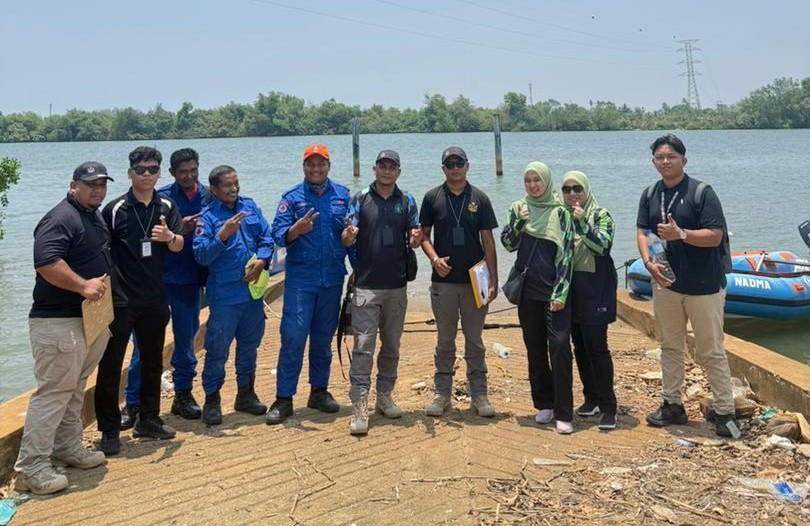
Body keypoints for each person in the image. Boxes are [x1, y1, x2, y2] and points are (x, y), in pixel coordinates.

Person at [13, 162, 113, 494]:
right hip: (57, 321)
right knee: (53, 394)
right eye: (90, 184)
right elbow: (46, 263)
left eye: (101, 184)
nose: (97, 190)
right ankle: (31, 469)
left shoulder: (91, 214)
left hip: (88, 318)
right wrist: (84, 286)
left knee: (75, 388)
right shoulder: (60, 217)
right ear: (73, 186)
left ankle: (67, 448)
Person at [636, 134, 737, 437]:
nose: (665, 162)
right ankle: (672, 404)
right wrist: (648, 262)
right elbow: (643, 231)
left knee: (710, 350)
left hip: (704, 286)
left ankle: (724, 411)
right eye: (659, 157)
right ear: (653, 162)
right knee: (669, 346)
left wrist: (681, 234)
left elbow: (715, 236)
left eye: (671, 156)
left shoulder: (702, 193)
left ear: (684, 159)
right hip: (667, 284)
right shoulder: (650, 193)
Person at [95, 146, 184, 455]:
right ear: (130, 172)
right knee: (110, 365)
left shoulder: (167, 205)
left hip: (154, 296)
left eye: (152, 169)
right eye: (141, 169)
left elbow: (180, 244)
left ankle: (148, 419)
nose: (147, 174)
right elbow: (100, 250)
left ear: (159, 173)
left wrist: (169, 238)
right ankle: (108, 430)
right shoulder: (115, 208)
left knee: (151, 362)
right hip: (121, 299)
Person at [121, 148, 209, 428]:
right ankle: (133, 401)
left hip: (189, 279)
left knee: (185, 340)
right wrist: (177, 229)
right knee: (142, 347)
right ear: (171, 173)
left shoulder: (208, 195)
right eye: (182, 171)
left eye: (193, 170)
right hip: (156, 280)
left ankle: (182, 393)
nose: (188, 175)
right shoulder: (162, 199)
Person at [266, 144, 351, 425]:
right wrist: (295, 230)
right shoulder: (291, 198)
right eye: (310, 164)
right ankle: (284, 398)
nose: (316, 169)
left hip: (332, 277)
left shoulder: (342, 195)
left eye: (321, 164)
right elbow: (278, 236)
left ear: (328, 165)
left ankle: (319, 391)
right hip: (302, 279)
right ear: (303, 167)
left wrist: (360, 268)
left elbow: (350, 236)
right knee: (293, 336)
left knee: (323, 337)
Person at [340, 150, 421, 435]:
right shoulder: (359, 198)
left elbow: (415, 237)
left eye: (392, 167)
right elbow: (346, 235)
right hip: (366, 286)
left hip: (397, 286)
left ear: (398, 171)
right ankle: (359, 403)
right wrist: (349, 235)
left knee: (392, 346)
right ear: (374, 169)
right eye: (382, 166)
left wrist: (416, 239)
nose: (387, 171)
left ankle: (384, 396)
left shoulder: (407, 200)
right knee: (363, 347)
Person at [419, 146, 498, 418]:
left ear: (467, 165)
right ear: (443, 168)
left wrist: (493, 280)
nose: (455, 168)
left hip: (475, 281)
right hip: (443, 283)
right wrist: (434, 259)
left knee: (475, 340)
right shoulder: (431, 198)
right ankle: (442, 394)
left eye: (459, 163)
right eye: (449, 164)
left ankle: (479, 395)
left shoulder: (480, 198)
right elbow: (423, 237)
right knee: (445, 340)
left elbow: (488, 241)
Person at [193, 165, 274, 425]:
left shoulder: (249, 206)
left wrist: (262, 260)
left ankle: (245, 394)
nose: (233, 189)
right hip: (225, 296)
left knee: (249, 347)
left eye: (236, 183)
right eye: (227, 185)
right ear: (215, 190)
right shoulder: (207, 218)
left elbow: (267, 237)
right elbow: (201, 255)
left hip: (252, 295)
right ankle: (212, 399)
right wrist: (222, 236)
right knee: (217, 350)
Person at [501, 162, 575, 434]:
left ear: (546, 181)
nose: (533, 185)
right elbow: (508, 243)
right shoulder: (518, 208)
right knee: (534, 348)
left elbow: (567, 255)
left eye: (537, 180)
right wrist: (519, 221)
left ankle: (564, 411)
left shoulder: (560, 212)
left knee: (559, 346)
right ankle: (544, 403)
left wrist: (561, 292)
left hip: (554, 292)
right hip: (527, 292)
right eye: (528, 180)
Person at [560, 170, 618, 431]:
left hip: (597, 286)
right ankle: (591, 397)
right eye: (567, 189)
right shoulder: (562, 217)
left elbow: (603, 245)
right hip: (572, 288)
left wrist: (583, 223)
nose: (572, 194)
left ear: (586, 190)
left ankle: (609, 406)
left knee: (597, 346)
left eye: (577, 189)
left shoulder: (600, 214)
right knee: (579, 346)